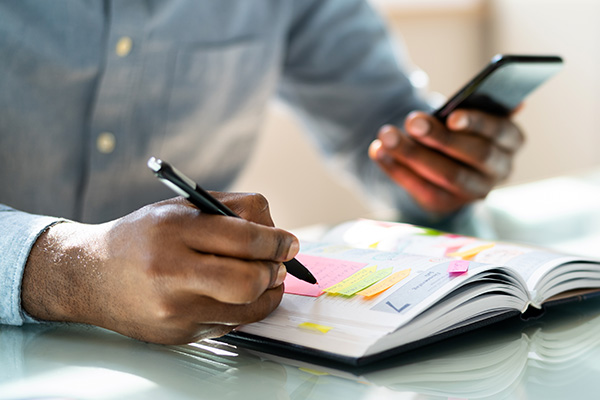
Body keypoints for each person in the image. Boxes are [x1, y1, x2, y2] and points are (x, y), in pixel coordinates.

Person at [0, 1, 523, 345]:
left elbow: (375, 117)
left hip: (193, 361)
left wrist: (438, 168)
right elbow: (71, 269)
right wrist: (69, 269)